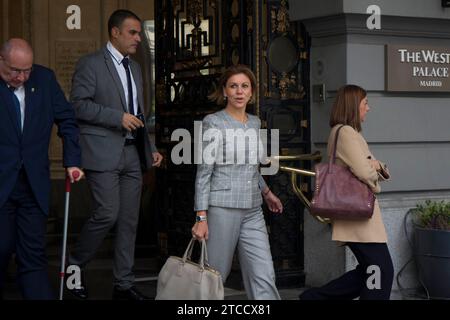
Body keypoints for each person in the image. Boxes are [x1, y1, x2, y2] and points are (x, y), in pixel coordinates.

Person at [68, 9, 163, 300]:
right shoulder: (91, 64)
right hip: (102, 152)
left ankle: (123, 284)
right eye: (132, 33)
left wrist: (151, 147)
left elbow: (139, 113)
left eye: (138, 33)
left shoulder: (135, 67)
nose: (138, 38)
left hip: (134, 153)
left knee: (129, 220)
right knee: (107, 213)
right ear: (115, 32)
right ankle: (72, 268)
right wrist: (116, 117)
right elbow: (78, 106)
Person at [0, 38, 83, 300]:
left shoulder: (44, 80)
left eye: (27, 70)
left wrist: (72, 159)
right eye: (15, 70)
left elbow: (67, 119)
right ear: (1, 61)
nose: (22, 77)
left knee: (33, 256)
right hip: (1, 184)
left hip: (33, 185)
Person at [191, 64, 283, 300]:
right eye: (233, 86)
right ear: (224, 91)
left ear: (251, 92)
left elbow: (251, 166)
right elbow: (204, 172)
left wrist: (266, 192)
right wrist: (201, 217)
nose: (239, 91)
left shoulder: (254, 122)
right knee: (215, 276)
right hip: (223, 208)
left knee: (264, 274)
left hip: (253, 209)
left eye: (244, 86)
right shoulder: (213, 122)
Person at [299, 84, 394, 300]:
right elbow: (363, 170)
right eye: (365, 103)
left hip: (356, 214)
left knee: (368, 271)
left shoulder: (346, 132)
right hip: (357, 214)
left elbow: (363, 166)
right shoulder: (346, 133)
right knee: (381, 270)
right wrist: (377, 167)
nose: (368, 108)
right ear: (354, 106)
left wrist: (375, 166)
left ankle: (314, 298)